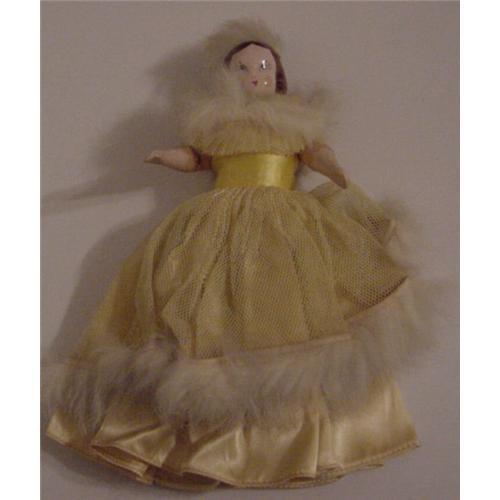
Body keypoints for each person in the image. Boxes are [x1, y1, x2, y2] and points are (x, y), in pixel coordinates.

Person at [43, 18, 435, 491]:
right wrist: (167, 157)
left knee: (293, 317)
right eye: (243, 68)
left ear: (278, 75)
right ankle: (204, 435)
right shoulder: (216, 121)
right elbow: (198, 158)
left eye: (263, 67)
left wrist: (331, 167)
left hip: (283, 227)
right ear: (227, 76)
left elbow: (314, 152)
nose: (254, 75)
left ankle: (292, 437)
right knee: (204, 313)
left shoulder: (296, 118)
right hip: (215, 223)